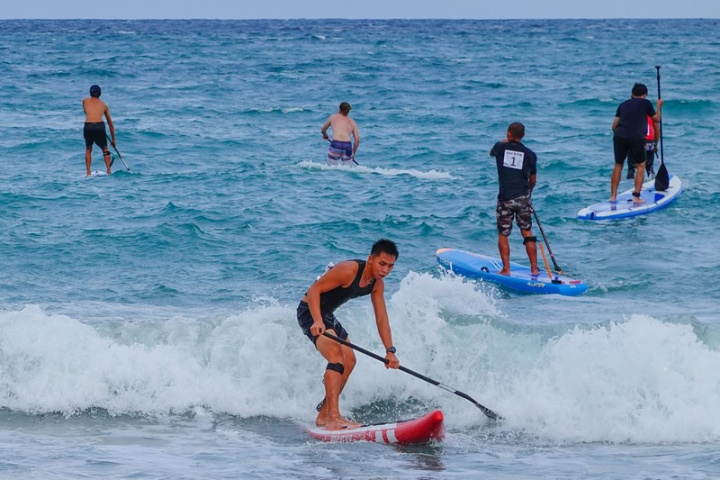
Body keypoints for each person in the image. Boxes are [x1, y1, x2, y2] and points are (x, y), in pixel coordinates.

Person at [297, 239, 400, 429]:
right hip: (310, 311)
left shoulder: (376, 284)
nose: (385, 270)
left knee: (350, 361)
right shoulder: (349, 270)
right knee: (337, 357)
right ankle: (334, 418)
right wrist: (318, 321)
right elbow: (313, 291)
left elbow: (381, 318)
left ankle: (324, 415)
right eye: (382, 264)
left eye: (390, 266)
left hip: (327, 315)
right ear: (371, 259)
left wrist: (390, 351)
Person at [489, 122, 539, 276]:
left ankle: (506, 269)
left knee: (503, 233)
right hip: (523, 197)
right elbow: (533, 180)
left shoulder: (500, 147)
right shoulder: (530, 154)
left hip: (505, 198)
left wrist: (504, 141)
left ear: (508, 134)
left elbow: (491, 153)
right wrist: (528, 193)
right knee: (527, 231)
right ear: (523, 136)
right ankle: (534, 269)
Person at [610, 83, 663, 204]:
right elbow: (657, 119)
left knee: (618, 164)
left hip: (619, 135)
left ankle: (613, 196)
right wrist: (658, 106)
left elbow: (614, 126)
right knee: (640, 165)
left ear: (632, 94)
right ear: (644, 95)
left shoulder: (623, 105)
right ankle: (636, 197)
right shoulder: (646, 103)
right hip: (636, 137)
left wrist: (622, 135)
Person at [82, 84, 116, 176]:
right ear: (100, 94)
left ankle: (88, 172)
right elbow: (110, 124)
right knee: (105, 148)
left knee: (88, 148)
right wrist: (113, 140)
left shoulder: (85, 101)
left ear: (90, 93)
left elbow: (86, 112)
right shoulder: (104, 105)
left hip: (88, 125)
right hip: (100, 126)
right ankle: (108, 170)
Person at [321, 102, 360, 166]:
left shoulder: (333, 117)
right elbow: (357, 140)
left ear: (339, 109)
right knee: (348, 169)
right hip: (347, 146)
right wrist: (353, 154)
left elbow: (323, 130)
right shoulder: (353, 122)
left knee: (331, 167)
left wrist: (325, 135)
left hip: (336, 145)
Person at [627, 114, 660, 179]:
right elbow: (657, 132)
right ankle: (651, 178)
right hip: (649, 143)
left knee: (632, 168)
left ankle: (631, 179)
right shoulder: (652, 115)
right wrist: (655, 144)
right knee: (649, 167)